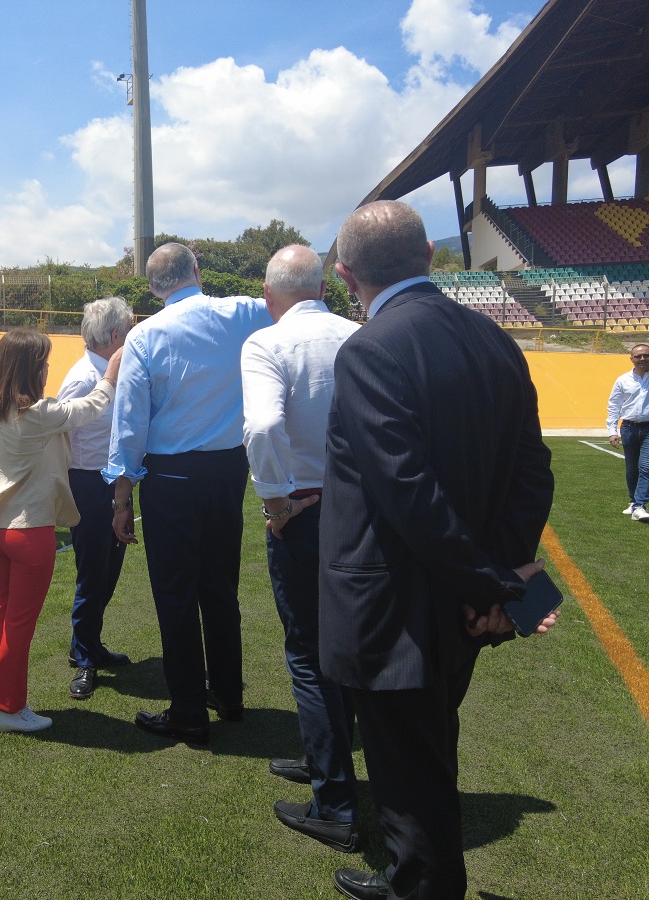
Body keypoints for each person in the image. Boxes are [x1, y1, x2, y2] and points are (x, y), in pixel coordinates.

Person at [320, 201, 556, 900]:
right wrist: (500, 579)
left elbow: (407, 494)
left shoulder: (369, 348)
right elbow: (532, 469)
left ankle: (420, 886)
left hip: (397, 610)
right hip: (460, 608)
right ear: (429, 254)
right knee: (426, 755)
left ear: (344, 275)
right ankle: (410, 877)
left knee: (409, 772)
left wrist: (494, 587)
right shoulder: (494, 340)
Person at [104, 242, 272, 745]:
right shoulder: (242, 312)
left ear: (153, 288)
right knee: (219, 588)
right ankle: (227, 693)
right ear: (198, 271)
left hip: (172, 477)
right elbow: (285, 303)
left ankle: (187, 709)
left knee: (176, 595)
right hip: (227, 470)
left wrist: (121, 495)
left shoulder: (144, 335)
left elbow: (129, 422)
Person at [241, 245, 361, 852]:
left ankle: (335, 802)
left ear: (269, 294)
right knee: (345, 646)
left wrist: (275, 500)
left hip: (306, 509)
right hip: (360, 510)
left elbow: (262, 426)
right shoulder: (358, 335)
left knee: (310, 656)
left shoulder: (266, 343)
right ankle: (328, 765)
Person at [0, 328, 121, 733]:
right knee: (18, 622)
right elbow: (94, 406)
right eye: (43, 362)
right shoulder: (39, 413)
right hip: (30, 531)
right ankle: (9, 709)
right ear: (30, 369)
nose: (47, 369)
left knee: (1, 610)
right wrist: (112, 371)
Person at [58, 297, 136, 701]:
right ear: (115, 335)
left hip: (114, 483)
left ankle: (87, 643)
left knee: (109, 570)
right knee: (93, 573)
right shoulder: (82, 377)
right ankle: (85, 658)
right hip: (89, 485)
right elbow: (61, 438)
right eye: (129, 328)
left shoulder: (110, 369)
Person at [605, 343, 649, 521]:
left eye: (646, 355)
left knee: (646, 467)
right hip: (629, 428)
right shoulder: (623, 380)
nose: (642, 359)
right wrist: (612, 431)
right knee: (631, 469)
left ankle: (640, 506)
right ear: (631, 359)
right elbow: (614, 406)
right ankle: (633, 502)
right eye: (638, 356)